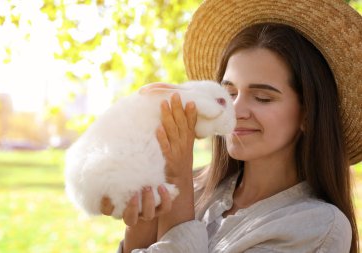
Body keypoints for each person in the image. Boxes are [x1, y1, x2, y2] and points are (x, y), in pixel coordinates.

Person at [100, 0, 362, 252]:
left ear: (307, 114)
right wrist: (144, 215)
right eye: (229, 93)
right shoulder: (197, 188)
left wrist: (177, 180)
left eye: (262, 98)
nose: (235, 110)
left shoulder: (319, 226)